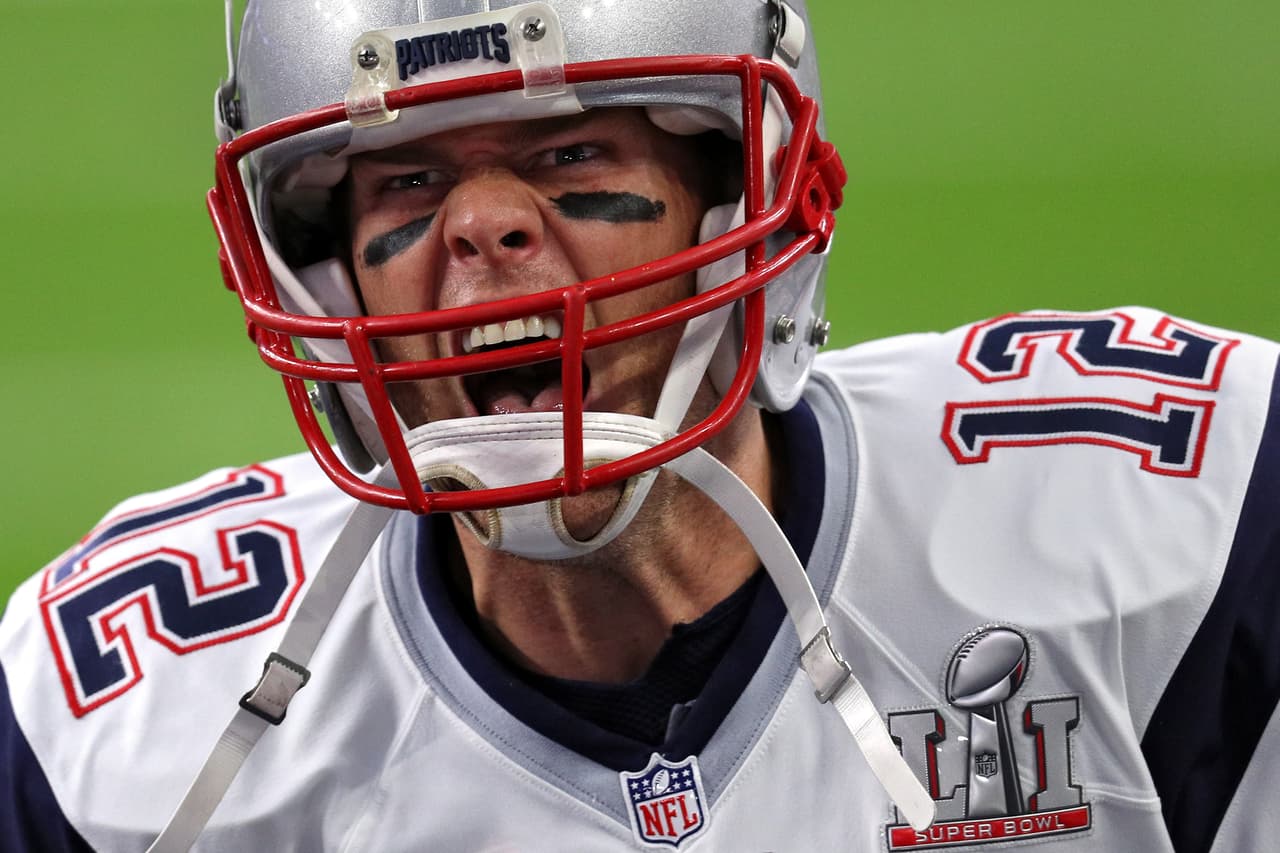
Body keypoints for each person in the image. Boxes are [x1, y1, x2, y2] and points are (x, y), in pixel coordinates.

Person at [1, 0, 1276, 850]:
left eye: (570, 158)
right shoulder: (116, 718)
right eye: (406, 179)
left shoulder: (1168, 510)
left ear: (740, 208)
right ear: (318, 275)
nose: (482, 230)